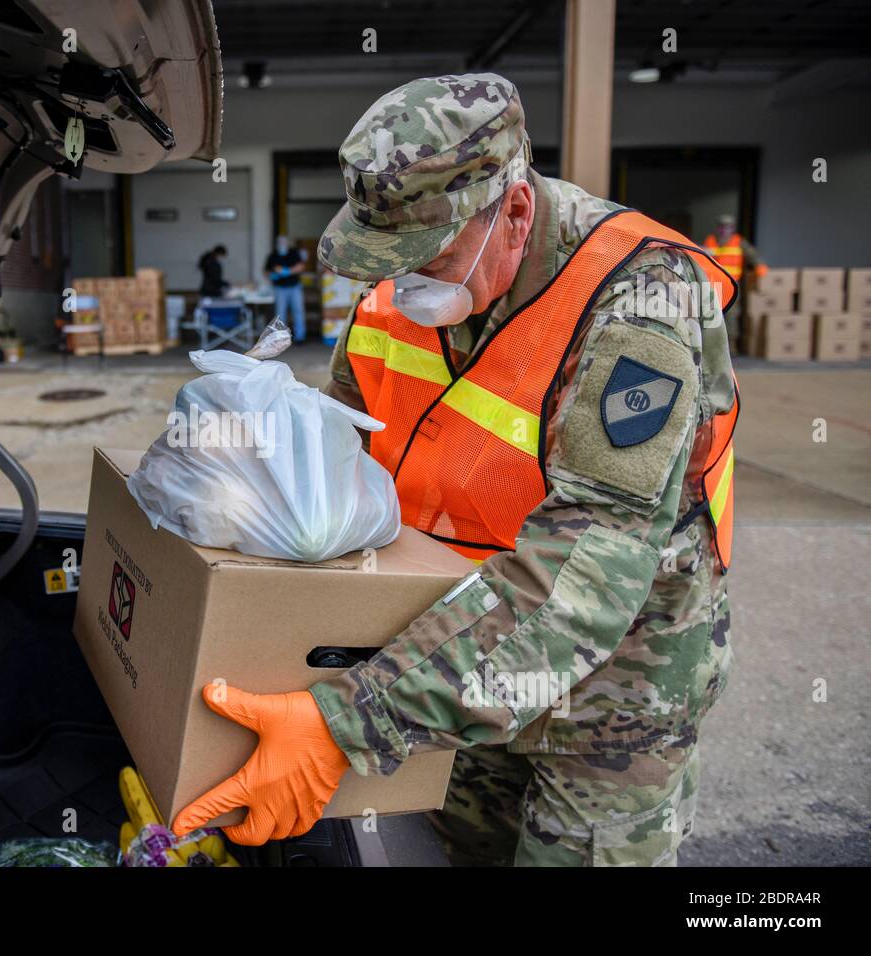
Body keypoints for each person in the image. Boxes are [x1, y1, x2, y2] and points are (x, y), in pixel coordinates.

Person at [171, 73, 740, 866]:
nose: (399, 284)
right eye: (385, 258)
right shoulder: (398, 295)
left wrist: (350, 720)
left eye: (422, 257)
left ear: (512, 212)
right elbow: (336, 463)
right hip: (456, 641)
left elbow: (585, 575)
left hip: (616, 685)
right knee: (467, 851)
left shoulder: (641, 305)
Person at [703, 214, 767, 352]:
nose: (724, 230)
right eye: (722, 227)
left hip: (732, 284)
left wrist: (760, 267)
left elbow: (753, 255)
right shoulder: (711, 241)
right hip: (713, 284)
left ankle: (731, 347)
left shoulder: (738, 242)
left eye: (728, 227)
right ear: (718, 228)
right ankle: (711, 347)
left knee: (731, 314)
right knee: (711, 314)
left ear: (732, 228)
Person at [264, 236, 308, 342]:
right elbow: (266, 271)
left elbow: (301, 266)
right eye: (280, 243)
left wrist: (287, 271)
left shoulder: (294, 253)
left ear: (287, 243)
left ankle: (300, 337)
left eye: (283, 242)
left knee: (298, 312)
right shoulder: (273, 255)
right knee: (280, 314)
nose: (282, 244)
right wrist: (273, 275)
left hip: (295, 287)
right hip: (280, 289)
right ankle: (282, 339)